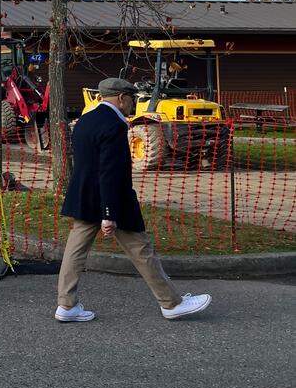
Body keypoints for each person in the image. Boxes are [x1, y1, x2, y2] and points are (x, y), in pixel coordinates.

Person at [55, 77, 211, 322]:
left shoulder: (85, 120)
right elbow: (110, 170)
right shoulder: (114, 125)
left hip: (83, 195)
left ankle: (66, 305)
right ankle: (171, 303)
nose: (131, 104)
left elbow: (88, 164)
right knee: (141, 249)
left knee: (75, 250)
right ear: (121, 98)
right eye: (131, 99)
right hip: (113, 199)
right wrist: (109, 213)